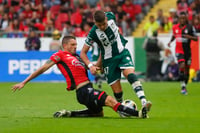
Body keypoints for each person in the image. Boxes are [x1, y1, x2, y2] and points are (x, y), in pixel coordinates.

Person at [12, 35, 149, 118]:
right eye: (72, 45)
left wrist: (102, 57)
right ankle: (138, 114)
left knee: (98, 114)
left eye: (76, 44)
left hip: (86, 90)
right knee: (110, 100)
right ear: (64, 45)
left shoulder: (77, 57)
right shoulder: (59, 55)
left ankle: (69, 113)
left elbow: (96, 69)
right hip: (83, 90)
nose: (75, 47)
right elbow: (43, 68)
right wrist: (24, 82)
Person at [80, 10, 152, 111]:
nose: (102, 27)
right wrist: (91, 66)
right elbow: (83, 52)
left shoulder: (111, 16)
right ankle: (123, 109)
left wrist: (119, 31)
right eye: (99, 25)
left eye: (104, 24)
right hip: (109, 61)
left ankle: (144, 102)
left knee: (130, 74)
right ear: (95, 23)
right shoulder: (93, 33)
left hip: (122, 53)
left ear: (106, 18)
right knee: (118, 91)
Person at [168, 12, 198, 95]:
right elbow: (174, 35)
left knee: (187, 71)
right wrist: (170, 42)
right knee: (182, 65)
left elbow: (196, 38)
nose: (182, 20)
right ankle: (183, 86)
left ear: (186, 19)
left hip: (187, 52)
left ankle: (184, 84)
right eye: (181, 18)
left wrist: (189, 37)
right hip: (179, 50)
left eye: (184, 18)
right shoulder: (175, 27)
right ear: (178, 19)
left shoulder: (190, 27)